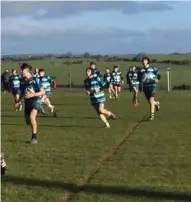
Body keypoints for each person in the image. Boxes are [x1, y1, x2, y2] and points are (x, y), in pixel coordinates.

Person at [20, 63, 45, 144]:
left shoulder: (35, 79)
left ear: (27, 71)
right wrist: (18, 101)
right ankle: (38, 110)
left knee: (32, 117)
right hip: (27, 103)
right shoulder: (22, 81)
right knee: (28, 121)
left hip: (35, 100)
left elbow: (42, 92)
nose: (21, 71)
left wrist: (33, 94)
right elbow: (21, 93)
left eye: (22, 70)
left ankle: (34, 137)